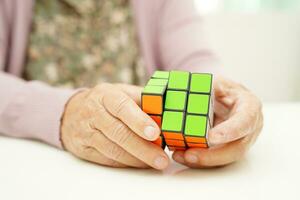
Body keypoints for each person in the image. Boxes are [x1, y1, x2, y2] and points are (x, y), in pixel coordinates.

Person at [0, 0, 263, 170]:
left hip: (144, 178)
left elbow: (195, 59)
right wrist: (65, 112)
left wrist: (220, 97)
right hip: (36, 171)